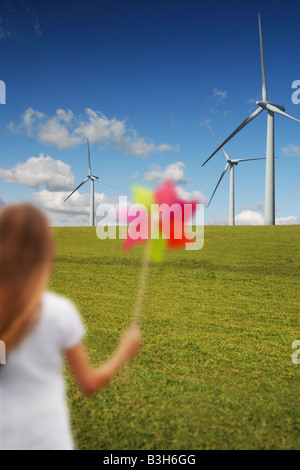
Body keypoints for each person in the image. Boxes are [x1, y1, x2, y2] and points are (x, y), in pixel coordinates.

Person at [0, 204, 141, 450]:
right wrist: (124, 351)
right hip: (48, 439)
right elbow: (89, 384)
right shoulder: (58, 312)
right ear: (45, 251)